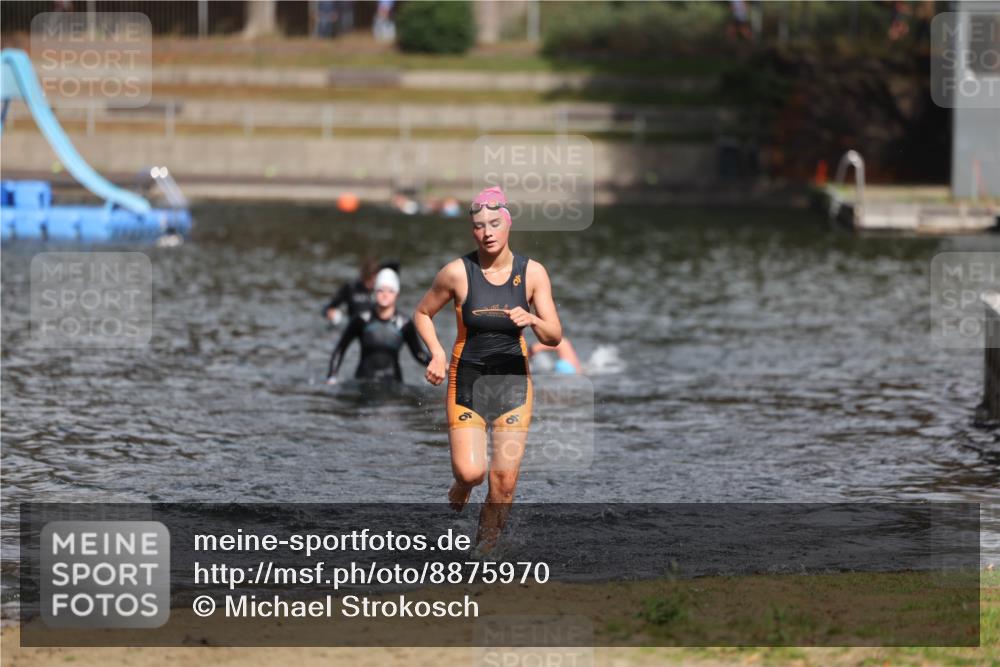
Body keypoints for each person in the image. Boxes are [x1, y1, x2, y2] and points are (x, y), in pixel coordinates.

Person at [413, 186, 562, 551]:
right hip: (467, 380)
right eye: (480, 226)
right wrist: (435, 353)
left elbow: (555, 335)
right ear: (472, 231)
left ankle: (486, 554)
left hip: (513, 385)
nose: (488, 232)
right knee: (472, 472)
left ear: (508, 225)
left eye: (495, 224)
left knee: (504, 481)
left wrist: (532, 318)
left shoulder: (532, 274)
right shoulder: (457, 273)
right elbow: (421, 313)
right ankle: (462, 485)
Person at [326, 268, 430, 384]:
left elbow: (418, 354)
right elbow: (341, 348)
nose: (385, 295)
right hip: (363, 382)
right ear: (374, 292)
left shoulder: (404, 323)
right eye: (381, 290)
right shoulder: (362, 319)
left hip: (393, 384)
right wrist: (332, 376)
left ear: (397, 294)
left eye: (390, 291)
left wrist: (438, 364)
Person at [322, 257, 400, 325]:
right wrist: (329, 313)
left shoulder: (382, 290)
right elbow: (326, 308)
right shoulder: (351, 288)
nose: (368, 285)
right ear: (362, 276)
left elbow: (396, 264)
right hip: (354, 328)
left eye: (372, 281)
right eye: (366, 280)